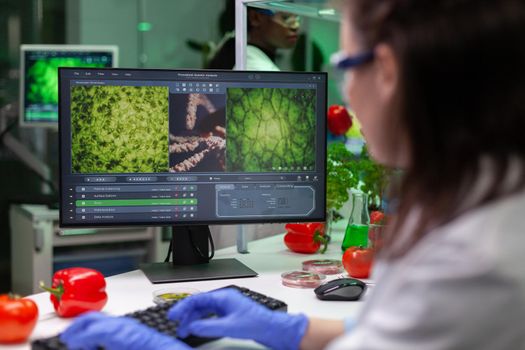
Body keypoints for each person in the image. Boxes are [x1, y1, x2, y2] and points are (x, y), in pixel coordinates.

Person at [61, 0, 525, 349]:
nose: (344, 89)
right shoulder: (488, 197)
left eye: (344, 65)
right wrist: (292, 329)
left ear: (387, 71)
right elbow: (403, 329)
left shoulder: (478, 257)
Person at [207, 7, 300, 70]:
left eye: (297, 18)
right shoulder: (258, 69)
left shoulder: (238, 54)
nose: (295, 26)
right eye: (285, 18)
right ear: (255, 18)